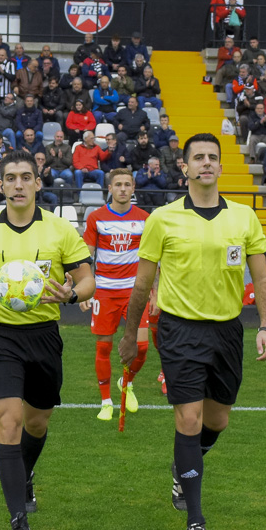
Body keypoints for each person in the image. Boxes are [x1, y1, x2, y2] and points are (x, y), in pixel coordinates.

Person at [117, 133, 266, 530]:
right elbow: (142, 284)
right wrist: (130, 333)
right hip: (179, 330)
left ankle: (182, 466)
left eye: (212, 157)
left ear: (221, 167)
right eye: (198, 158)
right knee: (187, 420)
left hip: (227, 331)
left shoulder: (244, 218)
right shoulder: (162, 219)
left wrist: (265, 325)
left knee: (216, 421)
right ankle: (195, 522)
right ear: (184, 167)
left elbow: (260, 277)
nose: (206, 163)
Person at [0, 149, 95, 530]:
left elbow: (88, 281)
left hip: (44, 336)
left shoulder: (60, 230)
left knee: (36, 422)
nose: (18, 185)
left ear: (37, 182)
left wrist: (71, 294)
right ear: (0, 185)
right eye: (10, 178)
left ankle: (25, 473)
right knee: (8, 422)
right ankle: (19, 524)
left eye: (25, 177)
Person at [81, 169, 152, 421]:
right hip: (104, 292)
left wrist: (153, 290)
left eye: (127, 184)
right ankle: (106, 402)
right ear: (109, 188)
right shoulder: (97, 218)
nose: (122, 189)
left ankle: (126, 381)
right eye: (117, 184)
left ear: (133, 188)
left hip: (135, 293)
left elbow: (152, 258)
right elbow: (85, 257)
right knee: (104, 347)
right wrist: (84, 289)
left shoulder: (145, 218)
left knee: (141, 347)